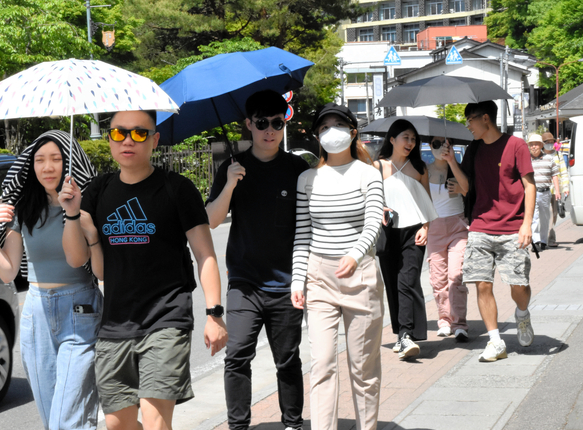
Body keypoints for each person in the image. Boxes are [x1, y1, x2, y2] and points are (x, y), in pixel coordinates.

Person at [59, 110, 228, 430]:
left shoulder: (177, 189)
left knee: (155, 420)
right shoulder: (98, 191)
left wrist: (214, 313)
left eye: (138, 133)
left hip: (166, 319)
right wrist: (72, 215)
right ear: (108, 137)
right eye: (118, 133)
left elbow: (205, 253)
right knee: (117, 424)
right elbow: (77, 259)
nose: (127, 140)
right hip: (115, 323)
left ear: (154, 139)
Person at [0, 130, 100, 430]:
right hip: (37, 312)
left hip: (79, 311)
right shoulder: (25, 208)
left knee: (68, 420)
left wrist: (71, 212)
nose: (47, 167)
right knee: (51, 422)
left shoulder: (86, 205)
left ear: (70, 163)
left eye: (56, 159)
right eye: (39, 160)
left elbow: (77, 260)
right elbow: (8, 271)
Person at [206, 89, 308, 430]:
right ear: (248, 125)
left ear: (284, 124)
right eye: (262, 122)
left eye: (277, 123)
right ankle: (238, 426)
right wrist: (230, 186)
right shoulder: (233, 168)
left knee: (288, 360)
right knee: (236, 357)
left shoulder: (297, 168)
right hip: (245, 283)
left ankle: (292, 423)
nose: (269, 130)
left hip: (287, 282)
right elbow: (211, 220)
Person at [291, 104, 384, 430]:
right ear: (317, 136)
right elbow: (303, 232)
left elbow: (373, 222)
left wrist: (355, 254)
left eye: (339, 125)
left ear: (353, 131)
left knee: (363, 367)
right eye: (324, 127)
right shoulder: (307, 178)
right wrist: (297, 278)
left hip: (360, 277)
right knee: (322, 364)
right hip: (319, 278)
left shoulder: (368, 174)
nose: (332, 132)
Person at [461, 101, 536, 363]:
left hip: (512, 227)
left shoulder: (516, 145)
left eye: (470, 119)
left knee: (519, 285)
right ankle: (495, 342)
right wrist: (449, 160)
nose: (467, 125)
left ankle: (522, 314)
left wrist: (527, 224)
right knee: (482, 283)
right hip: (480, 225)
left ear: (485, 118)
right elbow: (466, 186)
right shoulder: (473, 149)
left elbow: (529, 186)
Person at [374, 120, 438, 360]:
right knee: (392, 282)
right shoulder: (377, 167)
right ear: (392, 139)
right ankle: (402, 333)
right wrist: (380, 207)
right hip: (387, 232)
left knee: (408, 281)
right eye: (405, 137)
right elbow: (368, 199)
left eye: (413, 139)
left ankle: (407, 335)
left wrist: (426, 226)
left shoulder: (420, 168)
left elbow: (426, 202)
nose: (410, 143)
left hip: (414, 231)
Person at [426, 136, 470, 341]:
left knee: (456, 275)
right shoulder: (424, 170)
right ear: (428, 146)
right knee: (438, 278)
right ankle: (444, 320)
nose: (442, 147)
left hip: (458, 226)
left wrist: (452, 160)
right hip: (434, 227)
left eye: (446, 143)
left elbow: (468, 189)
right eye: (436, 144)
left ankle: (460, 323)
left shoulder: (459, 166)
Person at [528, 133, 560, 251]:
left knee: (545, 217)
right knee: (534, 217)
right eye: (531, 145)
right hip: (531, 193)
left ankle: (543, 241)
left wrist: (557, 191)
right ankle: (535, 241)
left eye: (536, 144)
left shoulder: (549, 159)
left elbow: (555, 175)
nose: (534, 147)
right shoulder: (526, 159)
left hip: (545, 192)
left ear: (541, 145)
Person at [542, 131, 570, 247]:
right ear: (543, 144)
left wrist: (565, 187)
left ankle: (551, 238)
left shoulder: (558, 155)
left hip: (555, 191)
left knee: (553, 214)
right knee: (542, 214)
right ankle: (541, 238)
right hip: (542, 189)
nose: (549, 144)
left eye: (551, 142)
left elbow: (563, 172)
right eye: (547, 142)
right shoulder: (539, 155)